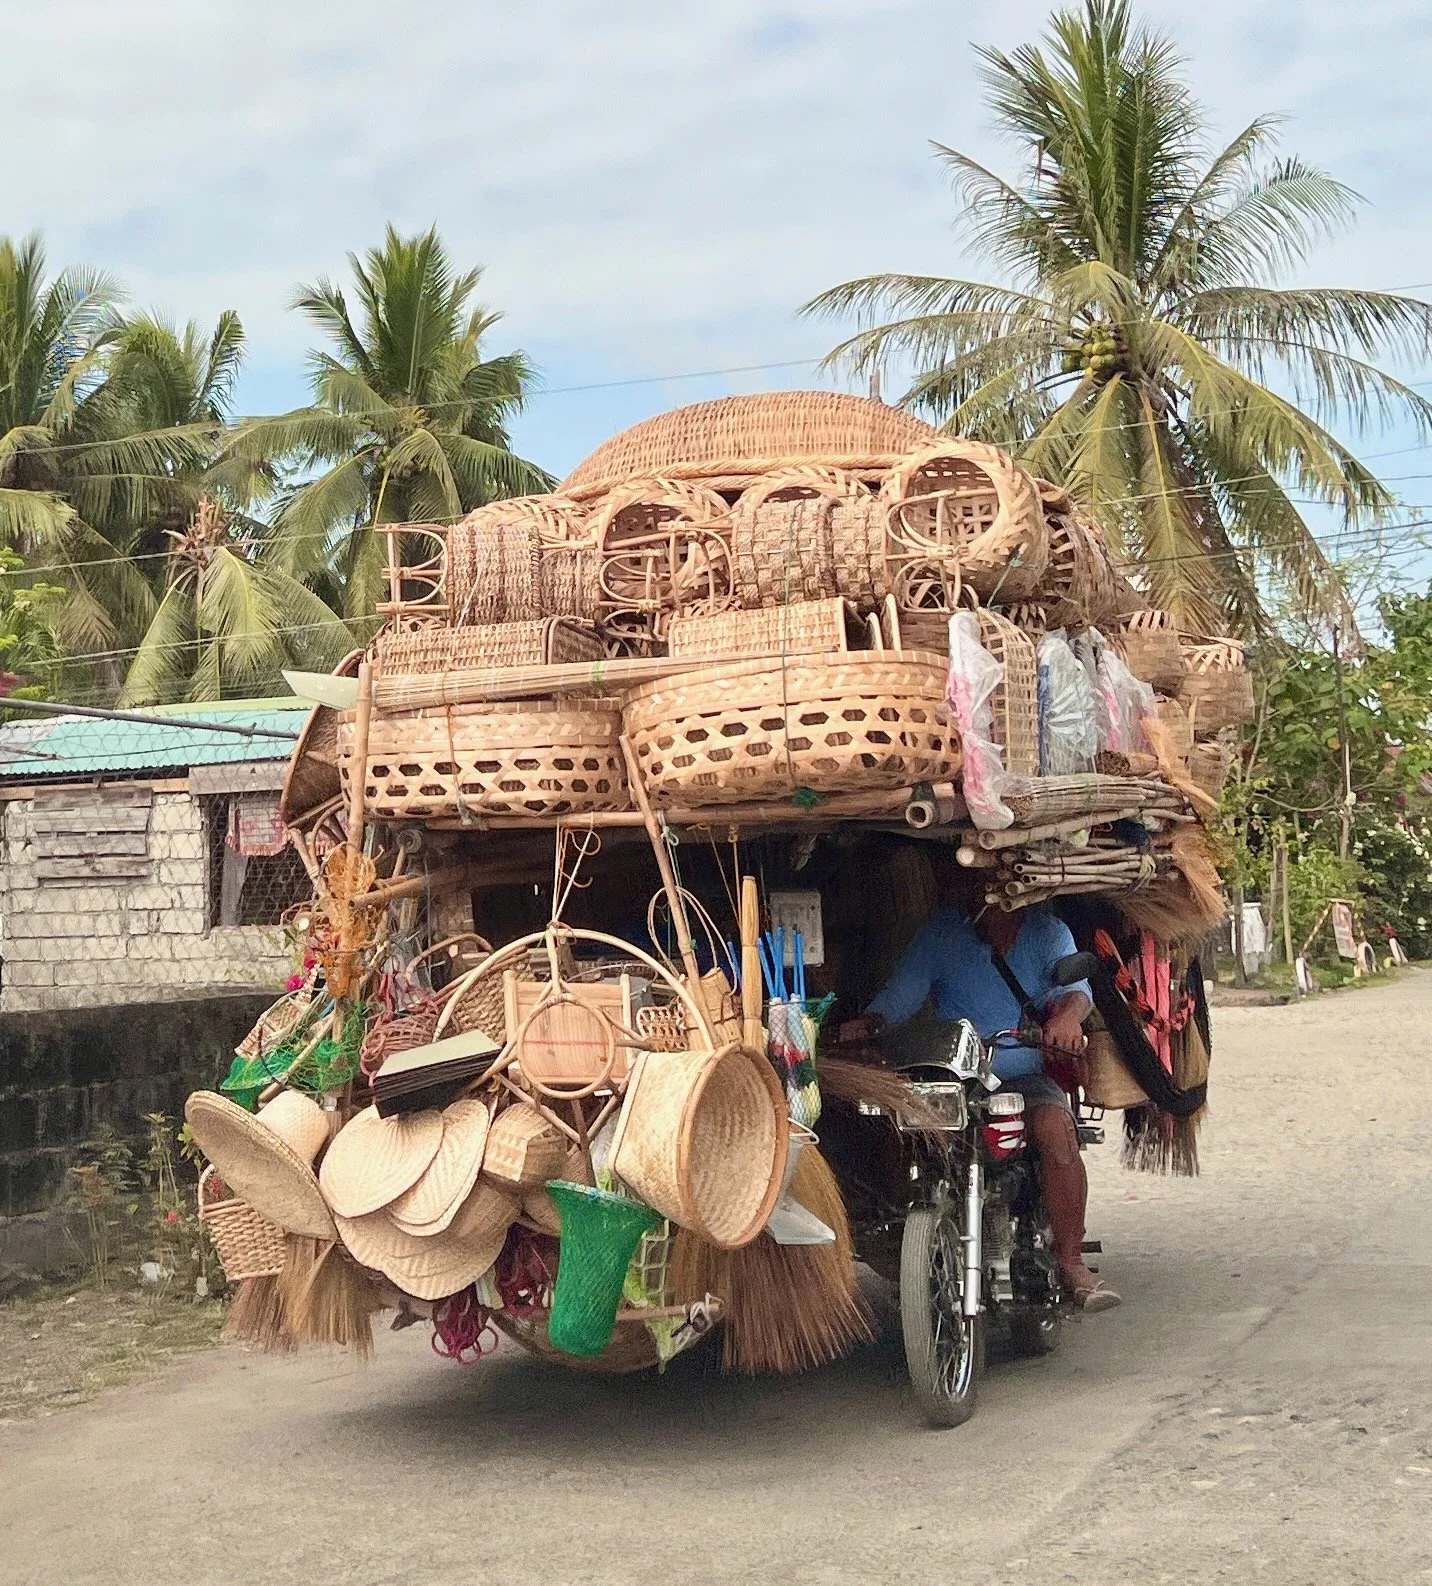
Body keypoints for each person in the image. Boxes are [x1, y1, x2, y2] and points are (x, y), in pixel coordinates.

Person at [842, 892, 1120, 1312]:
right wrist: (870, 1022)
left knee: (1057, 1132)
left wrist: (1066, 1018)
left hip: (1026, 1075)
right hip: (961, 1078)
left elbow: (1078, 989)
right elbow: (901, 995)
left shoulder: (1048, 932)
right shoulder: (943, 934)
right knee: (906, 1136)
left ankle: (1070, 1260)